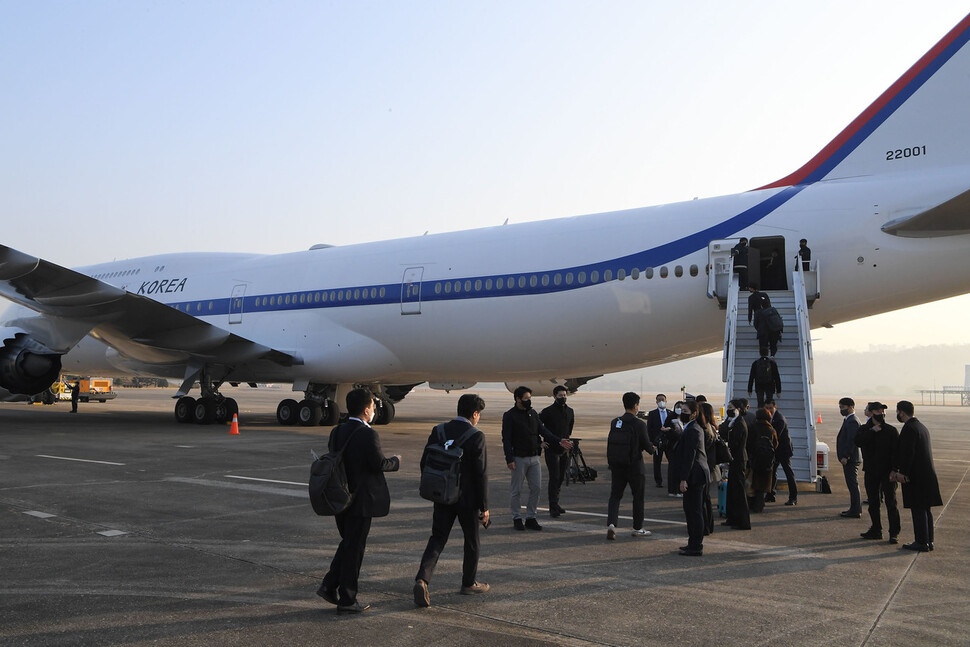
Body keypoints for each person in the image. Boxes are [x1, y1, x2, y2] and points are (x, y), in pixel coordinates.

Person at [318, 388, 401, 613]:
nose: (374, 411)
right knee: (355, 549)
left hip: (340, 496)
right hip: (361, 500)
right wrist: (396, 461)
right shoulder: (368, 434)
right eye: (373, 407)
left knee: (348, 543)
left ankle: (329, 584)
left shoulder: (337, 431)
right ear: (366, 410)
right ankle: (347, 599)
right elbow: (379, 464)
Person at [414, 394, 490, 607]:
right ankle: (468, 583)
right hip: (467, 500)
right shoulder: (476, 436)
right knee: (471, 542)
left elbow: (425, 462)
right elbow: (481, 474)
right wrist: (484, 507)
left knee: (437, 538)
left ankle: (422, 579)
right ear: (475, 414)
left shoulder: (438, 430)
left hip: (442, 496)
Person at [502, 386, 573, 531]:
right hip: (519, 458)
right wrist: (509, 459)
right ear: (518, 399)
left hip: (534, 457)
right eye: (526, 398)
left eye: (530, 398)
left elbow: (544, 431)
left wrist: (559, 441)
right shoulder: (510, 415)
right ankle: (517, 517)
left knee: (536, 488)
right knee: (516, 490)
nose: (529, 401)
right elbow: (506, 439)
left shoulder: (533, 414)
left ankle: (530, 517)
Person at [891, 401, 943, 552]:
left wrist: (902, 473)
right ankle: (928, 541)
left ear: (902, 412)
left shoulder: (909, 428)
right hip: (927, 476)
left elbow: (908, 454)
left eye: (898, 412)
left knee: (918, 509)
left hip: (916, 477)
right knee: (926, 510)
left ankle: (921, 542)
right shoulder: (921, 427)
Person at [605, 392, 656, 540]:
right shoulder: (639, 424)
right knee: (638, 497)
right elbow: (647, 446)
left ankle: (612, 524)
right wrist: (653, 448)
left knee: (615, 496)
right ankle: (638, 527)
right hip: (634, 466)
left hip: (617, 465)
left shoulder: (615, 422)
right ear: (635, 406)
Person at [854, 401, 900, 544]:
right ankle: (876, 530)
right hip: (871, 471)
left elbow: (897, 453)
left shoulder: (891, 431)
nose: (882, 413)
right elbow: (858, 442)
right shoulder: (864, 429)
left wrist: (895, 470)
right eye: (878, 411)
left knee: (891, 503)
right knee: (873, 503)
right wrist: (872, 431)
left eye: (883, 411)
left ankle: (894, 533)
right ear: (872, 412)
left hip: (888, 473)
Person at [672, 400, 710, 555]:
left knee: (694, 511)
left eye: (686, 411)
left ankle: (696, 546)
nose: (682, 413)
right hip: (695, 474)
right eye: (681, 410)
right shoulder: (691, 427)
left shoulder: (694, 429)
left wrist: (683, 479)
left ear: (694, 413)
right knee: (690, 510)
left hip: (695, 475)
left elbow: (690, 456)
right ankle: (692, 543)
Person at [539, 385, 574, 517]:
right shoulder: (547, 411)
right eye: (560, 396)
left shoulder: (570, 411)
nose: (563, 398)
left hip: (564, 450)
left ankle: (556, 503)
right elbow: (537, 426)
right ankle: (552, 506)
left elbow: (569, 428)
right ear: (554, 396)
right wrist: (540, 441)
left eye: (564, 395)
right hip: (552, 449)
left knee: (560, 478)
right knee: (554, 477)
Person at [721, 400, 751, 530]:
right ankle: (732, 517)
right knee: (732, 490)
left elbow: (735, 442)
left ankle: (743, 521)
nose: (729, 410)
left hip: (739, 460)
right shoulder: (733, 421)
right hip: (734, 460)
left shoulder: (740, 423)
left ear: (738, 409)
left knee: (739, 491)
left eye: (731, 408)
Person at [765, 399, 797, 506]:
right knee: (772, 472)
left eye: (770, 408)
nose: (769, 410)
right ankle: (770, 494)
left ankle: (793, 497)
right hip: (776, 450)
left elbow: (776, 435)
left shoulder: (779, 419)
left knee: (788, 473)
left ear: (775, 407)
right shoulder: (770, 418)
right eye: (767, 408)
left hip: (783, 450)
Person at [836, 397, 863, 518]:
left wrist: (845, 456)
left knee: (853, 484)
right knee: (851, 485)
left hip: (850, 459)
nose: (841, 410)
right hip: (850, 458)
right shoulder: (849, 420)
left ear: (851, 407)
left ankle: (856, 510)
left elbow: (852, 440)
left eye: (843, 407)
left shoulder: (852, 421)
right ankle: (854, 508)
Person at [747, 408, 778, 513]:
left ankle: (751, 504)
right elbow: (775, 444)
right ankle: (759, 506)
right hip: (767, 461)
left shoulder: (753, 427)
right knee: (762, 484)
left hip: (754, 459)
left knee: (752, 483)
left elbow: (748, 443)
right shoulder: (771, 430)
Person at [699, 402, 720, 536]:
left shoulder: (705, 429)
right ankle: (708, 526)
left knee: (703, 499)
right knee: (706, 498)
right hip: (710, 466)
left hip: (705, 466)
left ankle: (705, 526)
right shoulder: (712, 427)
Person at [645, 393, 673, 488]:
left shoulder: (670, 413)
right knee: (657, 462)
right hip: (657, 442)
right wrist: (652, 442)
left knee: (672, 461)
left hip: (668, 441)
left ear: (666, 401)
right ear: (656, 402)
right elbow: (649, 428)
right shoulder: (652, 414)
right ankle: (658, 481)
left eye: (663, 400)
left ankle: (672, 480)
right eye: (659, 400)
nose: (661, 402)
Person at [665, 401, 687, 497]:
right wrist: (673, 431)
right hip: (672, 446)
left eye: (681, 408)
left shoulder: (685, 419)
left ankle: (679, 490)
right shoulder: (670, 417)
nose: (679, 409)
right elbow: (666, 431)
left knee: (681, 468)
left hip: (682, 447)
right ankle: (672, 489)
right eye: (677, 407)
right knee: (672, 468)